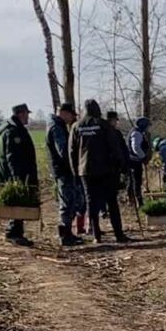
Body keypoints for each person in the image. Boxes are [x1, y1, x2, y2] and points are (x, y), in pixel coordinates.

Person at [69, 99, 131, 243]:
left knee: (92, 203)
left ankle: (96, 236)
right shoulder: (104, 125)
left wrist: (75, 172)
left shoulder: (76, 126)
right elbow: (114, 147)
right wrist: (121, 166)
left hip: (85, 170)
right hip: (106, 170)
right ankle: (118, 234)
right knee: (111, 202)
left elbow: (72, 151)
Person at [0, 103, 38, 247]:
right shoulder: (14, 132)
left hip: (12, 173)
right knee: (16, 201)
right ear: (20, 114)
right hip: (12, 174)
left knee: (17, 202)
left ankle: (16, 232)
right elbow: (13, 157)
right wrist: (17, 178)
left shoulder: (14, 129)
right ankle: (13, 233)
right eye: (26, 114)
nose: (28, 117)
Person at [46, 102, 85, 246]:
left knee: (71, 201)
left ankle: (68, 233)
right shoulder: (56, 127)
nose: (71, 119)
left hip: (62, 170)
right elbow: (63, 151)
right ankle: (65, 234)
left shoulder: (56, 125)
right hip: (63, 170)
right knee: (67, 202)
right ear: (63, 112)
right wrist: (75, 159)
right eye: (71, 115)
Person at [127, 116, 152, 206]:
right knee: (136, 181)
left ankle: (132, 199)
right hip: (134, 161)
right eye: (148, 126)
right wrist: (143, 157)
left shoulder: (137, 132)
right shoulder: (137, 133)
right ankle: (138, 201)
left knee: (133, 181)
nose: (149, 128)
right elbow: (136, 147)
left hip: (133, 161)